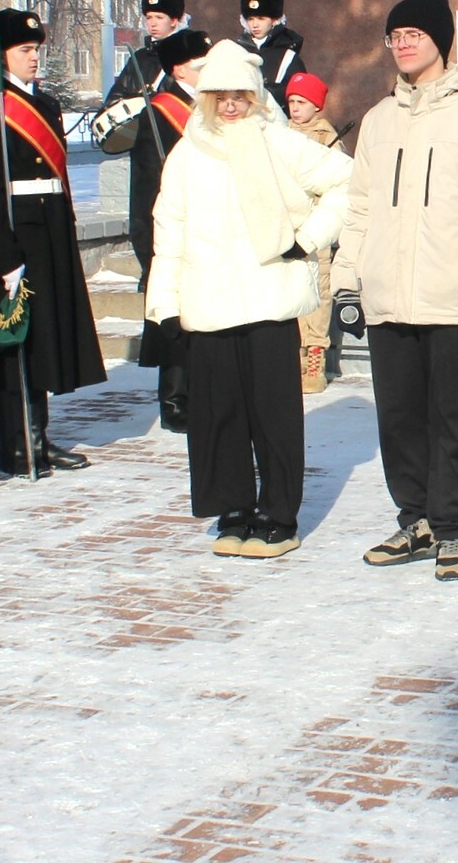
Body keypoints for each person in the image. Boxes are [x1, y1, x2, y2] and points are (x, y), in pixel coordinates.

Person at [332, 0, 458, 582]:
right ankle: (414, 519)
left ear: (441, 41)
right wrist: (347, 283)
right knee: (398, 418)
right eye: (395, 35)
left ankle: (452, 530)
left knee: (454, 420)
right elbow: (359, 208)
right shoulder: (379, 120)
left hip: (455, 298)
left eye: (415, 33)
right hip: (389, 296)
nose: (404, 43)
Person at [146, 41, 351, 558]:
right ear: (206, 97)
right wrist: (164, 304)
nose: (231, 104)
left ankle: (279, 514)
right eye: (220, 95)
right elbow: (168, 228)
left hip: (268, 301)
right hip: (207, 302)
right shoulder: (186, 153)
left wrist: (306, 239)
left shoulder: (281, 143)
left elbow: (347, 182)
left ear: (256, 96)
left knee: (274, 417)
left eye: (240, 94)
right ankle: (232, 508)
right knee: (217, 416)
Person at [0, 6, 108, 476]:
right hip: (14, 234)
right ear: (0, 55)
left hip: (48, 230)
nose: (33, 59)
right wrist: (2, 254)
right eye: (23, 50)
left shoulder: (43, 104)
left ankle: (38, 435)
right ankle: (16, 443)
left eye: (35, 50)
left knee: (40, 338)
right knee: (12, 343)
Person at [129, 26, 211, 431]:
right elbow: (146, 186)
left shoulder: (210, 108)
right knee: (174, 320)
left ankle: (202, 391)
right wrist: (148, 245)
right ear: (180, 70)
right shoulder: (160, 113)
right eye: (202, 65)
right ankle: (175, 400)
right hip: (171, 229)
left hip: (208, 228)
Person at [284, 71, 343, 393]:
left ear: (316, 106)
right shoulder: (279, 135)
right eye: (291, 101)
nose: (295, 108)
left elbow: (338, 183)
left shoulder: (326, 137)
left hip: (317, 227)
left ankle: (315, 356)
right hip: (287, 226)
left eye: (302, 102)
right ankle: (294, 354)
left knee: (320, 294)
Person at [108, 0, 188, 101]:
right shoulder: (139, 58)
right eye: (149, 17)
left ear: (174, 21)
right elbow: (115, 96)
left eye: (159, 17)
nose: (153, 23)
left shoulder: (187, 56)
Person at [233, 0, 307, 111]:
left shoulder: (288, 56)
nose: (255, 24)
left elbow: (300, 94)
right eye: (250, 19)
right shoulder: (237, 51)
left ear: (274, 20)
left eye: (261, 18)